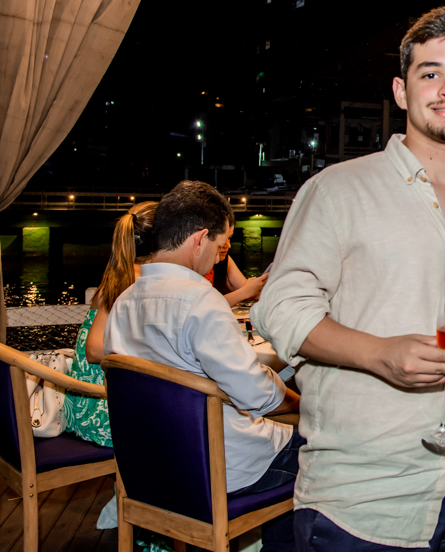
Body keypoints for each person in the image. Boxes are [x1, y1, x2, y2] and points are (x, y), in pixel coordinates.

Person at [251, 7, 445, 551]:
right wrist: (378, 354)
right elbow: (280, 308)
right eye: (431, 73)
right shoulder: (337, 190)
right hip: (363, 501)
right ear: (400, 90)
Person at [104, 180, 302, 551]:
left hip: (151, 470)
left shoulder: (124, 302)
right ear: (199, 240)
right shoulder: (200, 300)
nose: (219, 255)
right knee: (322, 450)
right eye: (220, 243)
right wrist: (303, 405)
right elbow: (258, 395)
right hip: (220, 470)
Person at [64, 201, 156, 446]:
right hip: (105, 411)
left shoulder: (121, 272)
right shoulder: (136, 281)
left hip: (86, 406)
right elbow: (94, 351)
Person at [205, 225, 268, 306]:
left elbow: (250, 292)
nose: (228, 245)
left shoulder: (224, 260)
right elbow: (205, 306)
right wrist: (244, 292)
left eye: (229, 238)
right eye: (222, 239)